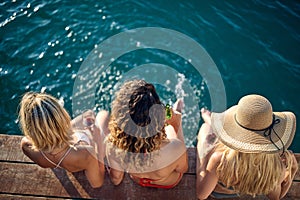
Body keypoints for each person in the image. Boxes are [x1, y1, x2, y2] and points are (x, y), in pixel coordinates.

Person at [196, 94, 298, 199]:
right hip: (246, 192)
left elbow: (202, 195)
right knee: (212, 132)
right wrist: (292, 172)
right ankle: (209, 121)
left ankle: (209, 121)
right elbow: (275, 197)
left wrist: (203, 159)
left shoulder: (220, 159)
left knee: (205, 130)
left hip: (221, 193)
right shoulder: (276, 166)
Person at [105, 80, 188, 188]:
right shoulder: (175, 148)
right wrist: (176, 124)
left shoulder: (111, 145)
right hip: (165, 181)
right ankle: (176, 115)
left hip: (137, 179)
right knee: (171, 129)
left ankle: (172, 115)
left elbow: (116, 179)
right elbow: (183, 169)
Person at [19, 92, 105, 188]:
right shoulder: (85, 153)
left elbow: (40, 139)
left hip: (59, 154)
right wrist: (98, 141)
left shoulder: (26, 145)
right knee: (102, 115)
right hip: (75, 151)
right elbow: (97, 184)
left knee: (88, 114)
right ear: (61, 117)